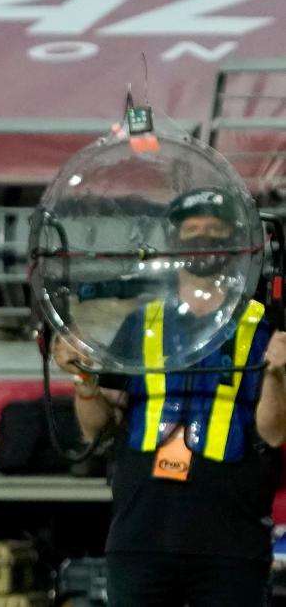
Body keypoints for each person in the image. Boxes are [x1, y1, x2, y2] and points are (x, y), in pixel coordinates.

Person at [54, 186, 286, 607]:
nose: (203, 239)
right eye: (192, 229)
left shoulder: (263, 329)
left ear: (236, 244)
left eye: (216, 231)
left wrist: (276, 373)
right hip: (141, 536)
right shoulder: (143, 324)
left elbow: (273, 434)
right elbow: (98, 427)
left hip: (230, 543)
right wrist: (84, 381)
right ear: (174, 242)